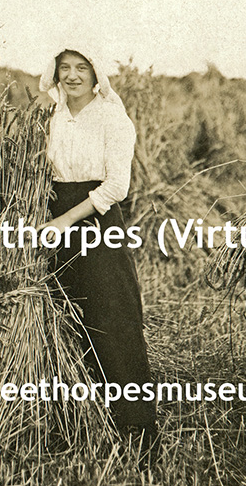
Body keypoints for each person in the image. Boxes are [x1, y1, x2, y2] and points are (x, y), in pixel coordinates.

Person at [37, 46, 158, 446]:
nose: (72, 76)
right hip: (53, 225)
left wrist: (65, 221)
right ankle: (79, 427)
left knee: (113, 321)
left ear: (96, 73)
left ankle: (135, 431)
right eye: (64, 68)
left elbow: (116, 187)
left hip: (97, 224)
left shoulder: (111, 117)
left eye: (81, 68)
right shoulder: (49, 118)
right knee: (64, 321)